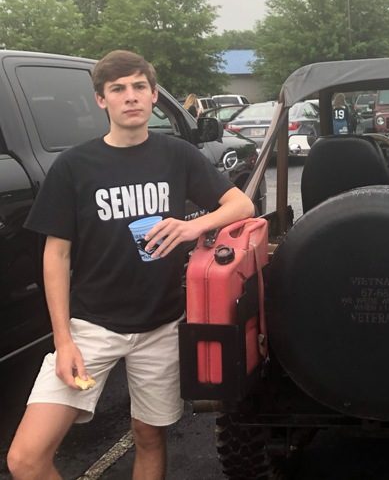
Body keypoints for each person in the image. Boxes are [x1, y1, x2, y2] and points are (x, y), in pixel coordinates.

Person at [6, 50, 255, 480]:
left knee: (148, 437)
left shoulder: (175, 156)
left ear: (154, 95)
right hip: (91, 329)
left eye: (140, 87)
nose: (131, 96)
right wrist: (63, 341)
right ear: (101, 100)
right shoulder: (73, 167)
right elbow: (55, 255)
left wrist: (194, 227)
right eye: (118, 89)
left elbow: (241, 203)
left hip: (159, 326)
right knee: (25, 459)